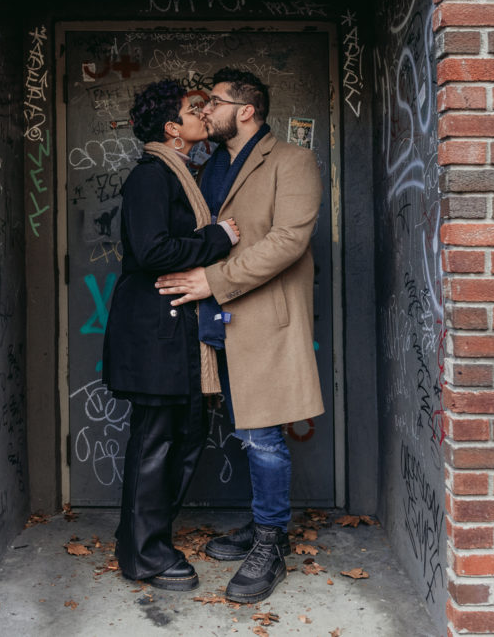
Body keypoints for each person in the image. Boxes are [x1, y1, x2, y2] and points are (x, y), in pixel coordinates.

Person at [155, 67, 324, 603]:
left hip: (262, 317)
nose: (207, 112)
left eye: (216, 103)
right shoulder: (209, 168)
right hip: (218, 321)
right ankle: (261, 524)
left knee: (264, 437)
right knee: (244, 428)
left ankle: (271, 542)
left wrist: (213, 279)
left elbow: (288, 240)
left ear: (245, 110)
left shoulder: (293, 161)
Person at [102, 80, 240, 591]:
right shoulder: (150, 177)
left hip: (176, 332)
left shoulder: (182, 174)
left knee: (180, 438)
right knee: (156, 442)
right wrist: (217, 237)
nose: (203, 115)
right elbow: (153, 251)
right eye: (192, 111)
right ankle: (145, 556)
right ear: (171, 128)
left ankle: (142, 539)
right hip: (153, 333)